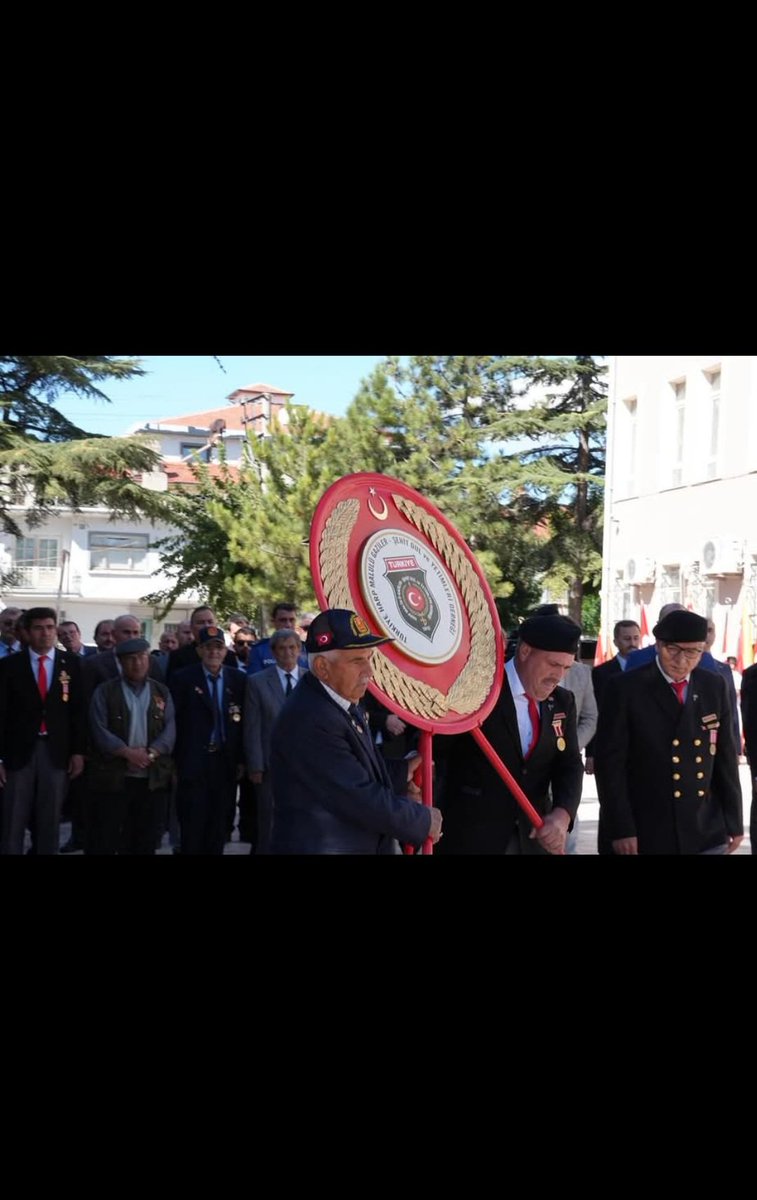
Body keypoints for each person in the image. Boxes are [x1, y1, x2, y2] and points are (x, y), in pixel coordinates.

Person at [269, 609, 441, 854]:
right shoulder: (310, 718)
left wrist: (402, 772)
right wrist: (422, 821)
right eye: (357, 660)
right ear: (322, 667)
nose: (369, 671)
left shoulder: (340, 702)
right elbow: (356, 795)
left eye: (369, 658)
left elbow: (357, 768)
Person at [594, 609, 743, 855]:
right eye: (673, 650)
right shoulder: (625, 688)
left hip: (703, 825)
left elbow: (724, 758)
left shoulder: (713, 685)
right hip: (646, 826)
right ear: (658, 645)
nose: (681, 660)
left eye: (692, 652)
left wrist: (733, 820)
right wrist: (621, 827)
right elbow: (610, 765)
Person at [437, 614, 584, 855]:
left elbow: (568, 763)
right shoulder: (478, 692)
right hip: (472, 839)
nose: (558, 676)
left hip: (533, 838)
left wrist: (562, 814)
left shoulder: (562, 701)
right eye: (553, 664)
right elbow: (438, 752)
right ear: (525, 651)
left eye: (566, 668)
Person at [0, 607, 86, 854]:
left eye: (50, 627)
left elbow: (78, 712)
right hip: (18, 753)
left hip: (56, 752)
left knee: (50, 820)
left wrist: (79, 752)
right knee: (13, 819)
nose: (45, 633)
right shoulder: (8, 666)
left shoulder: (71, 664)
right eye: (38, 628)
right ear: (26, 632)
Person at [87, 638, 176, 854]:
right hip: (116, 778)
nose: (137, 663)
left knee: (146, 838)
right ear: (120, 663)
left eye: (142, 657)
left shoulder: (161, 691)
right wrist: (127, 753)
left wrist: (151, 753)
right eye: (131, 659)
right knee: (109, 836)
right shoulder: (105, 691)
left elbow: (170, 729)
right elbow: (98, 729)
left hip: (152, 779)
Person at [170, 625, 247, 855]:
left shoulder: (238, 680)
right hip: (193, 762)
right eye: (208, 648)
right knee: (193, 825)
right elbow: (174, 721)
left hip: (225, 763)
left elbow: (244, 724)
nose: (214, 652)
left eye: (219, 647)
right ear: (199, 651)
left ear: (225, 651)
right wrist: (174, 761)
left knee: (219, 825)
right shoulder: (182, 679)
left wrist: (242, 759)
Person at [244, 629, 306, 853]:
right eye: (282, 648)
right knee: (269, 821)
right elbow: (252, 727)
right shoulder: (257, 682)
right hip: (271, 767)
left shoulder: (313, 680)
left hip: (306, 766)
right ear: (273, 652)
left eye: (292, 647)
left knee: (304, 821)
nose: (288, 653)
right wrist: (256, 765)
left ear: (300, 650)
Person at [584, 619, 641, 774]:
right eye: (627, 639)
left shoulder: (650, 670)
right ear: (616, 641)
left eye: (636, 638)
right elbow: (595, 713)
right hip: (612, 747)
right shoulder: (602, 673)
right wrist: (591, 753)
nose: (632, 643)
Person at [165, 605, 237, 678]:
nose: (206, 626)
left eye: (210, 622)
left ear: (216, 624)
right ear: (192, 628)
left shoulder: (229, 656)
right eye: (201, 623)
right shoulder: (178, 656)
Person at [247, 602, 308, 675]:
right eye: (283, 620)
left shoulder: (306, 649)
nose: (288, 625)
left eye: (291, 620)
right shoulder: (259, 650)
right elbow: (255, 682)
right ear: (273, 622)